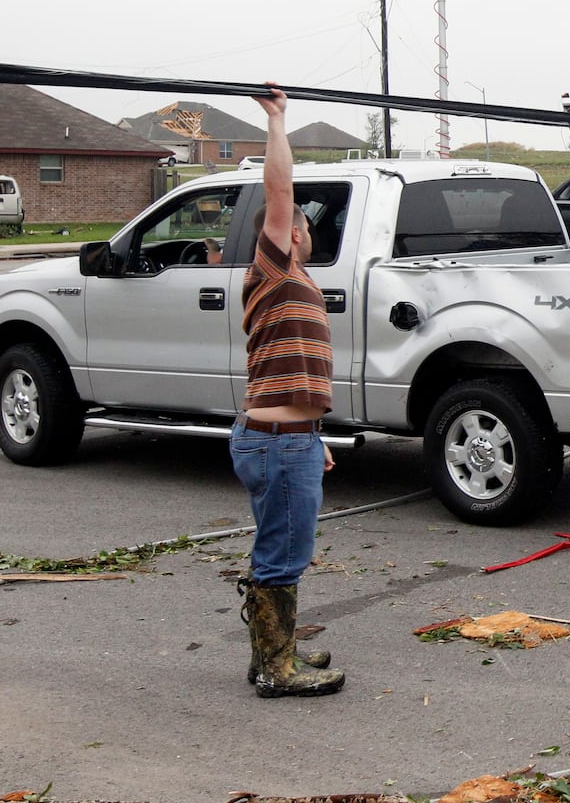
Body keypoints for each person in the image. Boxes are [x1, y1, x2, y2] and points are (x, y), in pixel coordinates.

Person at [232, 84, 345, 698]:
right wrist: (278, 121)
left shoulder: (293, 280)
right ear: (292, 232)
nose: (299, 226)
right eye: (297, 222)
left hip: (286, 438)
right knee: (284, 549)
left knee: (282, 543)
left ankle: (274, 651)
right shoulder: (274, 267)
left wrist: (313, 434)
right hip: (276, 442)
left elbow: (295, 372)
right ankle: (276, 669)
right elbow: (279, 193)